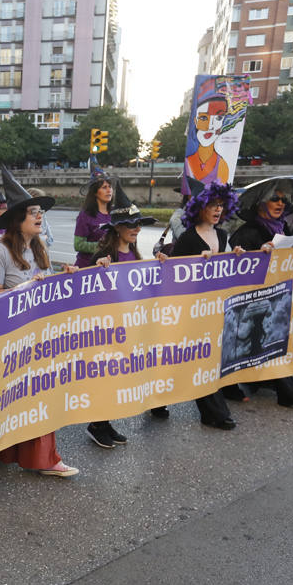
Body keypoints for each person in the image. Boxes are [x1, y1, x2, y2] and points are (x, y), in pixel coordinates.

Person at [0, 170, 79, 476]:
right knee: (13, 401)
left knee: (43, 396)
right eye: (33, 212)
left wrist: (64, 275)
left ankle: (46, 459)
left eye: (40, 211)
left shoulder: (41, 248)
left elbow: (50, 288)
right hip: (14, 340)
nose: (40, 216)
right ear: (18, 219)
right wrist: (25, 289)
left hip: (42, 337)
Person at [150, 182, 243, 429]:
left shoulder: (223, 235)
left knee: (204, 358)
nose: (217, 210)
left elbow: (226, 271)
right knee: (181, 357)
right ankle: (158, 398)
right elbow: (174, 272)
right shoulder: (189, 237)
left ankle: (213, 412)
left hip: (211, 308)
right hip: (189, 308)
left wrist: (235, 256)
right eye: (212, 205)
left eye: (221, 205)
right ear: (199, 209)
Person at [87, 188, 165, 446]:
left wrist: (161, 264)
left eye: (139, 224)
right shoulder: (104, 257)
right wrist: (97, 271)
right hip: (109, 329)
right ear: (117, 228)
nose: (136, 228)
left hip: (131, 326)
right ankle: (97, 424)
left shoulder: (137, 255)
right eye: (130, 224)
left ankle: (106, 422)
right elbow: (89, 292)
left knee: (119, 377)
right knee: (106, 377)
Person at [228, 178, 293, 408]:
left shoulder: (283, 228)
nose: (281, 203)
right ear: (260, 203)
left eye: (284, 199)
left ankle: (266, 381)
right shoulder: (248, 232)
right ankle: (287, 390)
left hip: (277, 296)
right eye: (275, 198)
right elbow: (239, 267)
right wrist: (258, 254)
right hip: (251, 302)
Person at [73, 176, 114, 268]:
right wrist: (104, 247)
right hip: (87, 267)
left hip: (108, 267)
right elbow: (78, 245)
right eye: (104, 187)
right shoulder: (85, 215)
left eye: (110, 187)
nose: (109, 190)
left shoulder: (115, 213)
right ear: (95, 192)